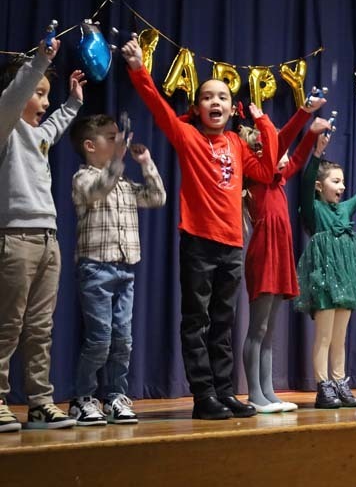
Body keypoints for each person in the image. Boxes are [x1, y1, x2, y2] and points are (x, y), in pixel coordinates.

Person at [122, 35, 278, 420]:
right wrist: (139, 69)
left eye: (223, 97)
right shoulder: (188, 136)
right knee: (198, 320)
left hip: (232, 244)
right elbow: (158, 108)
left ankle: (224, 391)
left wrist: (262, 120)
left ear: (231, 108)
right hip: (198, 242)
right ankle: (203, 395)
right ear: (197, 106)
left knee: (224, 322)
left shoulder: (238, 145)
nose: (216, 102)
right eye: (208, 97)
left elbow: (269, 168)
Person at [0, 39, 84, 431]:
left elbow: (55, 125)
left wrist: (74, 101)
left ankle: (39, 402)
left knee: (40, 326)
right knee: (8, 322)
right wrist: (39, 63)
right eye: (39, 94)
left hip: (49, 240)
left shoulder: (38, 136)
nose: (44, 102)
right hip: (15, 240)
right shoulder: (5, 124)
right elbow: (15, 96)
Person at [68, 115, 166, 425]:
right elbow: (99, 188)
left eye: (117, 137)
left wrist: (147, 163)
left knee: (123, 340)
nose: (117, 142)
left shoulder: (123, 183)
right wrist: (120, 159)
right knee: (100, 340)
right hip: (96, 269)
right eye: (110, 138)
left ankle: (114, 396)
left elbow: (157, 197)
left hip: (126, 270)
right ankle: (83, 397)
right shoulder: (82, 178)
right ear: (89, 145)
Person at [241, 105, 329, 413]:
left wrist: (313, 134)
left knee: (269, 332)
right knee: (258, 328)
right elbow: (279, 148)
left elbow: (299, 157)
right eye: (276, 148)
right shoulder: (256, 178)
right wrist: (273, 119)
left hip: (280, 254)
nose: (283, 154)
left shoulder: (278, 179)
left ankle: (268, 392)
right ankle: (254, 394)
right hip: (263, 254)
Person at [296, 147, 356, 409]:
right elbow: (303, 185)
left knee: (340, 338)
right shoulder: (313, 208)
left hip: (346, 281)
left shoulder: (344, 209)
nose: (342, 186)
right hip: (325, 281)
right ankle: (323, 386)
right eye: (335, 181)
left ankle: (339, 382)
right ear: (319, 185)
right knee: (324, 338)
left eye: (342, 181)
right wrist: (315, 156)